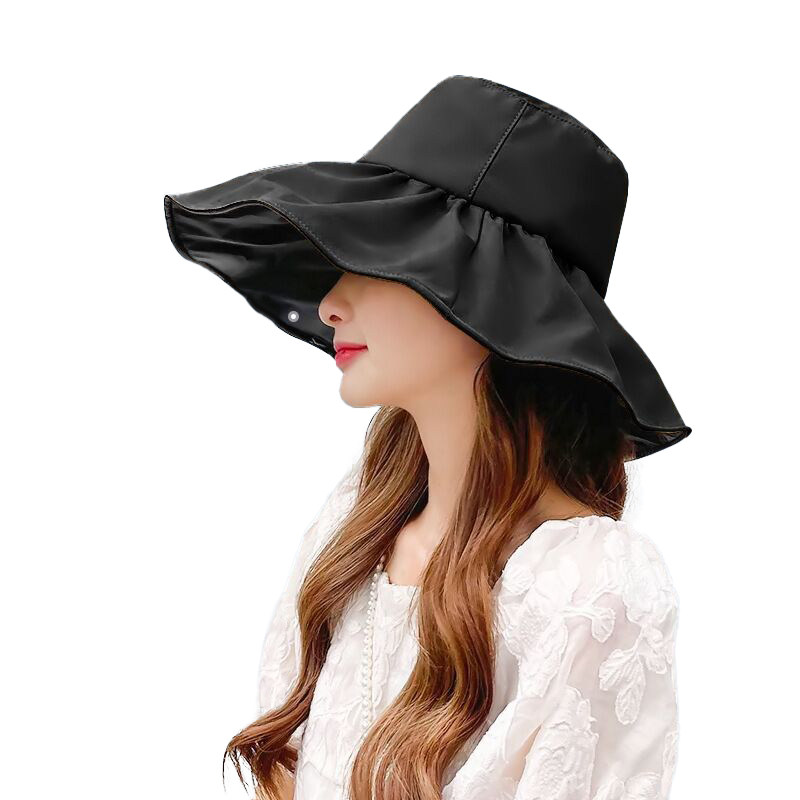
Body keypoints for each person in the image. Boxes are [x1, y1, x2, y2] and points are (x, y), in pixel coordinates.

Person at [163, 75, 690, 799]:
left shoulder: (591, 585)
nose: (330, 304)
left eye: (373, 261)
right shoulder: (355, 527)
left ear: (489, 297)